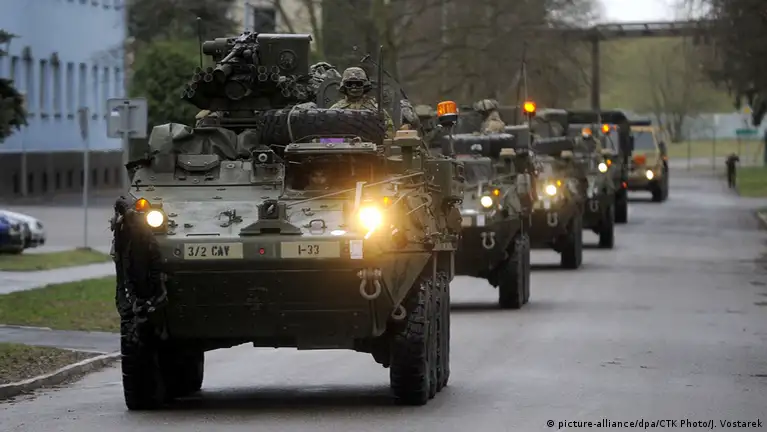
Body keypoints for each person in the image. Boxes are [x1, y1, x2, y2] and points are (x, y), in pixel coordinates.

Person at [330, 67, 395, 137]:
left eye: (358, 84)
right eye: (349, 84)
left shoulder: (376, 110)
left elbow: (389, 132)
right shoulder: (335, 110)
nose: (354, 87)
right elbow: (327, 135)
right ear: (344, 86)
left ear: (365, 85)